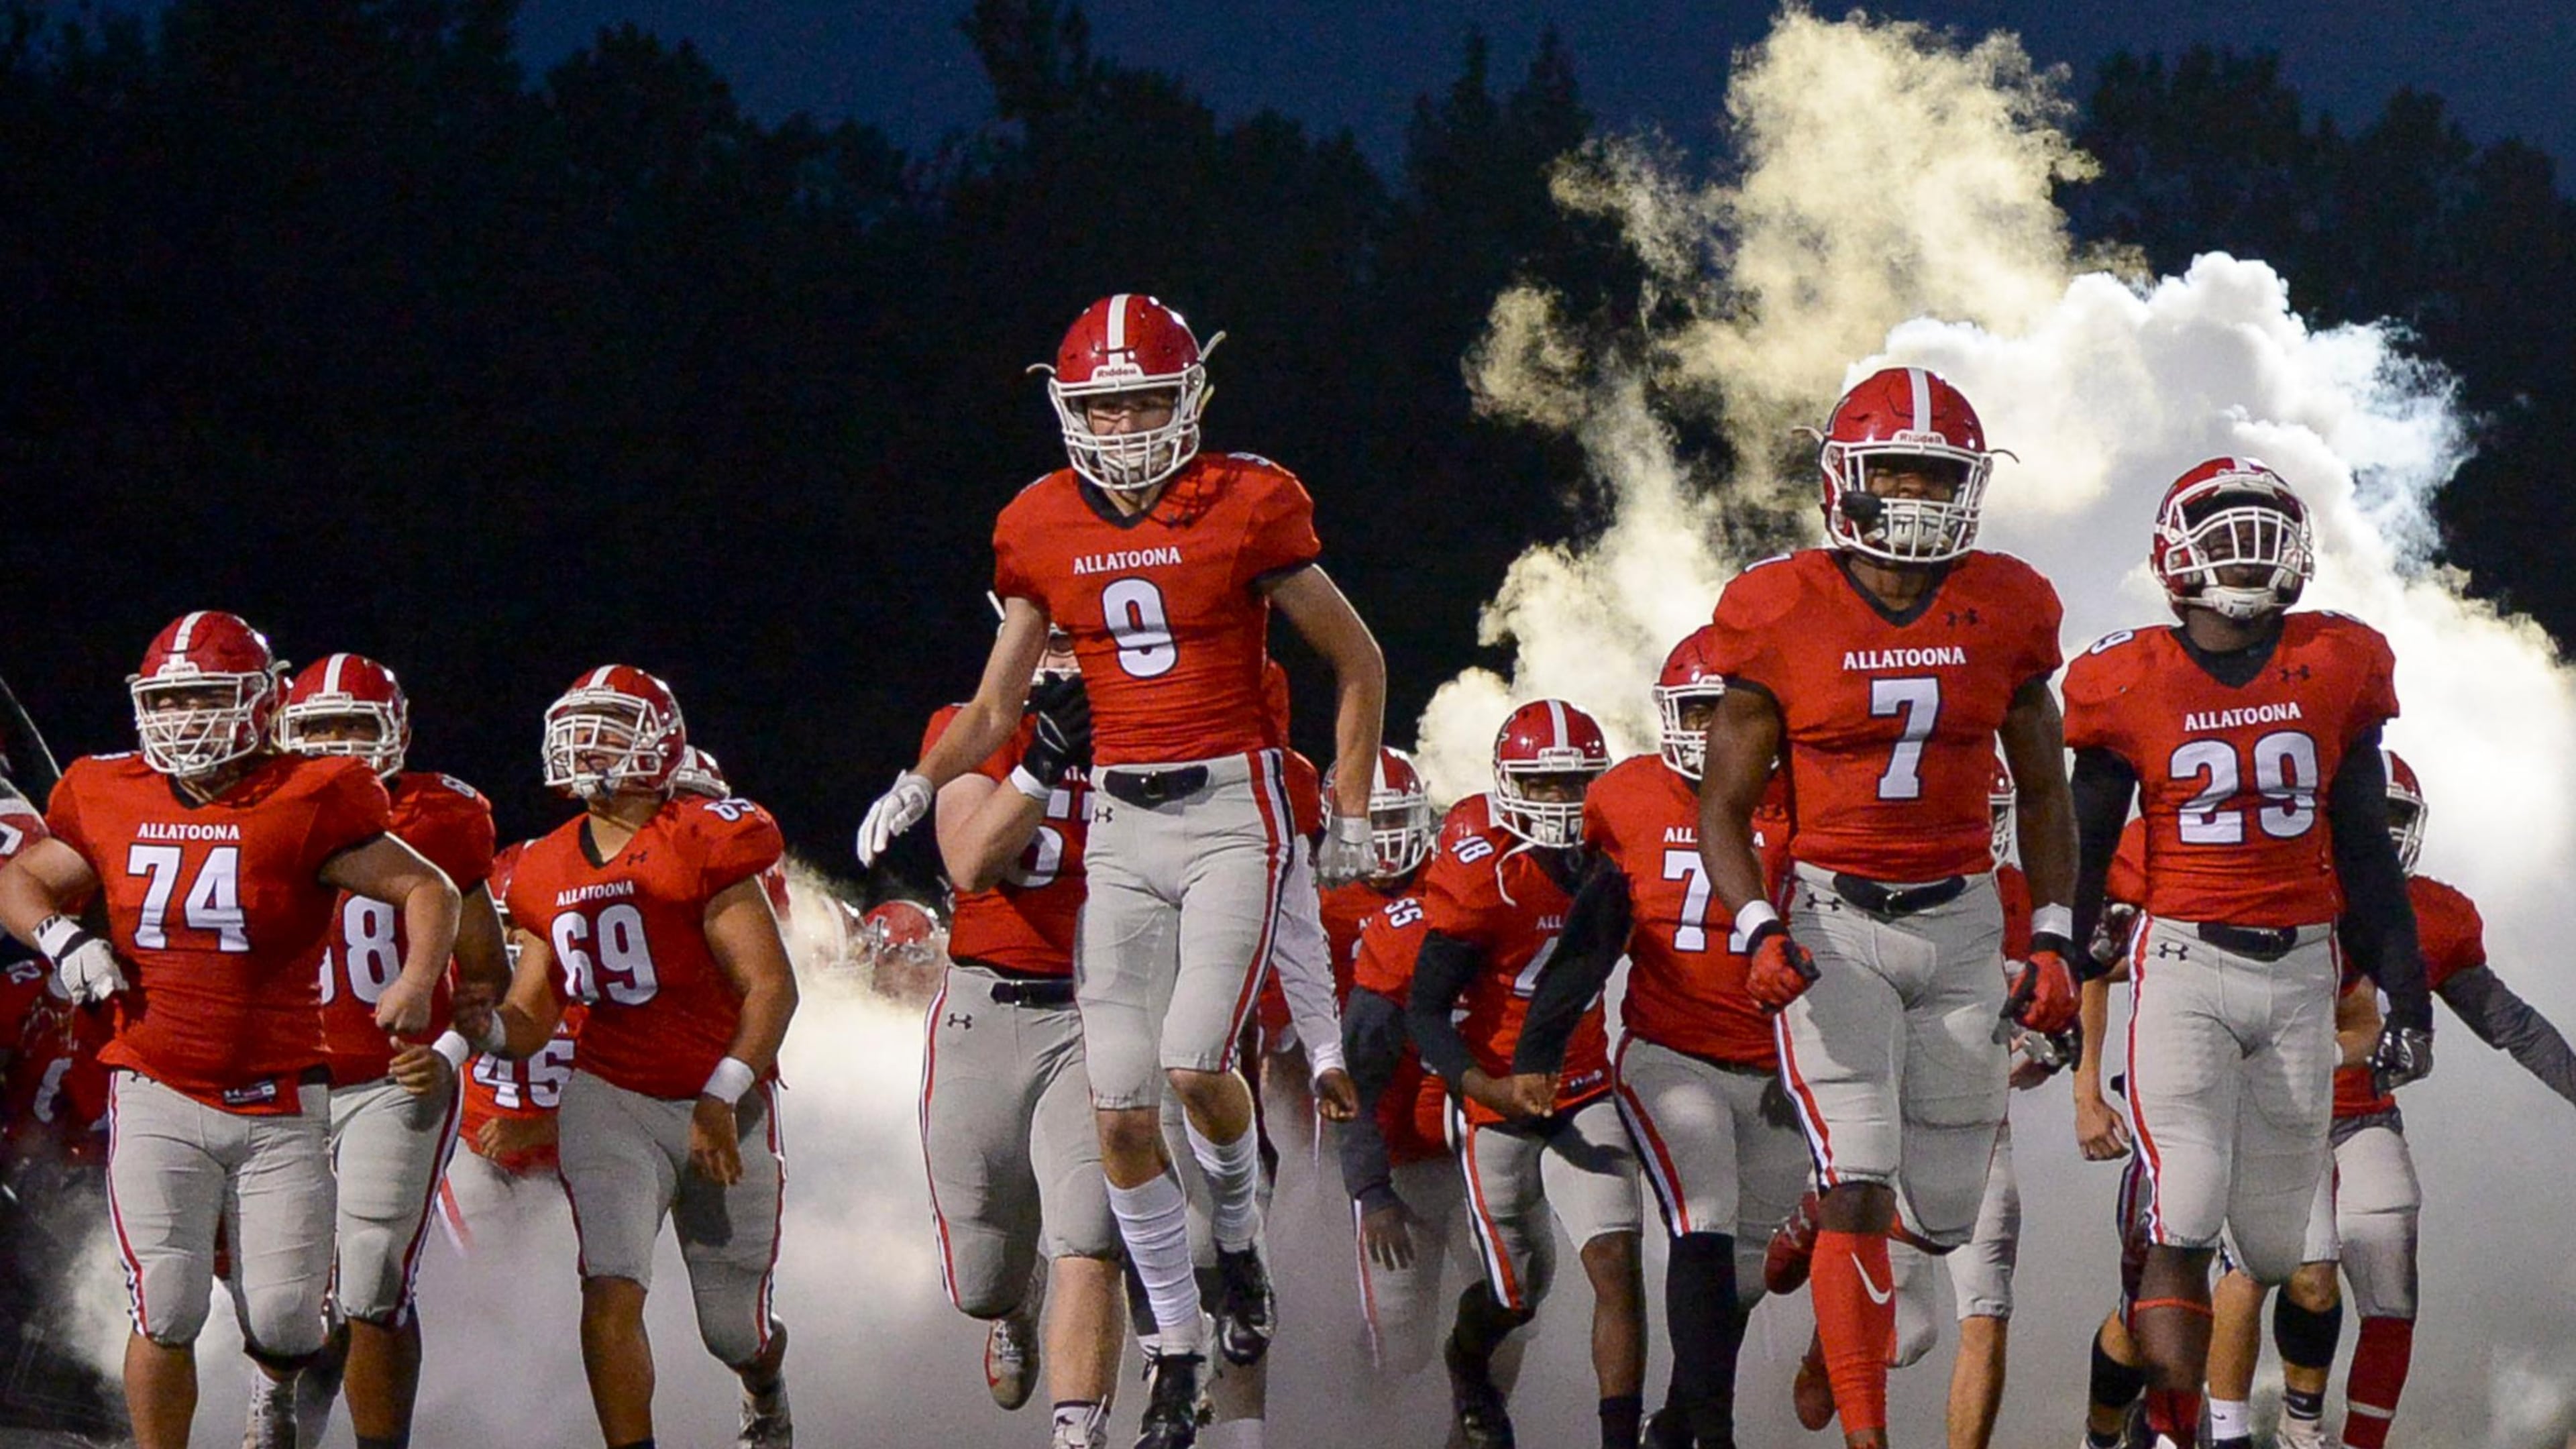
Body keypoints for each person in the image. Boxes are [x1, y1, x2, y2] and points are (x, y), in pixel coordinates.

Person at [856, 294, 1387, 1448]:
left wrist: (1345, 810)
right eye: (1105, 401)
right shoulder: (1040, 532)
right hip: (1095, 890)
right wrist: (922, 778)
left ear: (1192, 397)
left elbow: (1356, 657)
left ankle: (1222, 1279)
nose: (1130, 422)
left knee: (1192, 1067)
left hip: (1224, 811)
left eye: (1149, 396)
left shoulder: (1250, 502)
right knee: (1106, 1135)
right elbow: (994, 710)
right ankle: (1182, 1348)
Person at [1694, 367, 2080, 1448]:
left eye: (1937, 475)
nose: (1913, 496)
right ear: (1842, 480)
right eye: (1895, 472)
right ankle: (1870, 1433)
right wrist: (1756, 925)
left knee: (1944, 1212)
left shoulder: (2004, 604)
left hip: (1961, 919)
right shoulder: (1779, 608)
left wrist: (2049, 934)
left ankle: (1824, 1286)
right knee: (1861, 1166)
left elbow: (2045, 790)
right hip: (1835, 915)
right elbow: (1722, 805)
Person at [0, 612, 462, 1449]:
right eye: (168, 701)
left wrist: (417, 980)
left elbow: (429, 889)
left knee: (288, 1319)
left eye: (206, 698)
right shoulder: (107, 789)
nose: (184, 720)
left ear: (259, 701)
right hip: (152, 1081)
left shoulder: (312, 793)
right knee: (167, 1303)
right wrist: (61, 937)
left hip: (279, 1092)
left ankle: (278, 1384)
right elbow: (21, 879)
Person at [2063, 457, 2432, 1449]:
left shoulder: (2339, 661)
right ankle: (2180, 1432)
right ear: (2176, 554)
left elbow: (2364, 854)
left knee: (2276, 1252)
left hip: (2304, 968)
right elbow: (2085, 848)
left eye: (2265, 531)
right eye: (2225, 534)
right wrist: (2059, 960)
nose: (2249, 554)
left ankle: (2160, 1414)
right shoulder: (2126, 674)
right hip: (2186, 962)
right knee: (2185, 1202)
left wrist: (2410, 998)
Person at [471, 665, 801, 1449]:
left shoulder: (703, 838)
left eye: (612, 726)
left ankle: (763, 1383)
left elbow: (772, 988)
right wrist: (480, 1027)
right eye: (581, 725)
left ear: (658, 743)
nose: (588, 744)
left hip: (722, 1093)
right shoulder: (546, 866)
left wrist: (721, 1096)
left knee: (733, 1329)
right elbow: (529, 1016)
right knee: (610, 1286)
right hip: (610, 1094)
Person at [2206, 749, 2576, 1449]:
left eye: (2392, 820)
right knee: (2306, 1274)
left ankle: (2357, 1444)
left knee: (2392, 1289)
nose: (2377, 836)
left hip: (2364, 1114)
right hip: (2274, 1115)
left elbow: (2510, 1023)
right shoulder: (2269, 894)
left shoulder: (2432, 914)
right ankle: (2277, 1426)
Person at [1515, 628, 1807, 1448]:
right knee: (1701, 1221)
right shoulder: (1630, 797)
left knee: (1744, 1278)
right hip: (1670, 1053)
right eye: (1698, 709)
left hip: (1780, 1066)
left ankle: (1677, 1423)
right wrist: (1539, 1048)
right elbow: (1592, 934)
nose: (1714, 728)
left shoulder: (1803, 797)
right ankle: (1713, 1433)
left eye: (1730, 709)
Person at [268, 653, 509, 1449]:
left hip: (388, 1078)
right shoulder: (256, 809)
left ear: (396, 731)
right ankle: (283, 1423)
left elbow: (486, 980)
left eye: (354, 726)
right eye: (319, 727)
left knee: (372, 1275)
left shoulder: (443, 817)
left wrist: (444, 1049)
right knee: (285, 1286)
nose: (336, 744)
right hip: (278, 1078)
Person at [1407, 700, 1645, 1449]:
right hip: (1495, 1102)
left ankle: (1617, 1438)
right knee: (1517, 1294)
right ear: (1508, 785)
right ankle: (1468, 1367)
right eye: (1541, 787)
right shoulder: (1483, 875)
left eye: (1574, 783)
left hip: (1585, 1088)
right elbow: (1424, 1013)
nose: (1559, 802)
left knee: (1617, 1261)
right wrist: (1486, 1088)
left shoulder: (1612, 859)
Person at [916, 632, 1129, 1449]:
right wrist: (1043, 759)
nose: (1069, 658)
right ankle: (1016, 1302)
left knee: (1089, 1236)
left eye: (1085, 639)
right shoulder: (968, 724)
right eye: (1054, 640)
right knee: (981, 1281)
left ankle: (1079, 1437)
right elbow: (970, 861)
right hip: (986, 1012)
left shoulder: (1153, 732)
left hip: (1098, 1010)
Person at [435, 839, 585, 1253]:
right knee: (484, 1268)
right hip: (474, 1148)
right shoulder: (452, 976)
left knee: (576, 1272)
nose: (515, 937)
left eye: (530, 925)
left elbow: (623, 1104)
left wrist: (537, 1130)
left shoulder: (598, 988)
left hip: (572, 1156)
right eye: (505, 921)